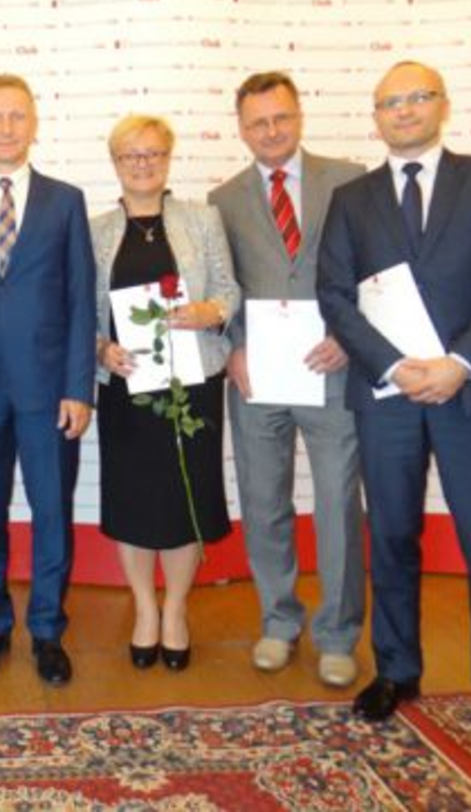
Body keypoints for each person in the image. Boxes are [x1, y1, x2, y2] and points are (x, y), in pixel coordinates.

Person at [317, 60, 471, 753]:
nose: (405, 110)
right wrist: (392, 365)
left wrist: (458, 363)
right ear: (376, 116)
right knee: (389, 537)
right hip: (386, 397)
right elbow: (335, 295)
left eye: (417, 97)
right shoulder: (352, 199)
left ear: (442, 105)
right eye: (390, 102)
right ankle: (397, 669)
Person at [208, 72, 365, 688]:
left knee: (337, 506)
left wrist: (351, 337)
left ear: (299, 116)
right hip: (258, 377)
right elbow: (218, 286)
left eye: (280, 118)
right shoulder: (222, 200)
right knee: (264, 501)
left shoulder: (349, 181)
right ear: (241, 128)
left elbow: (375, 270)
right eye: (258, 123)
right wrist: (231, 348)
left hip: (333, 370)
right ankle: (278, 621)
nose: (271, 131)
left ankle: (338, 635)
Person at [0, 74, 96, 687]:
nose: (6, 128)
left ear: (34, 123)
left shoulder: (66, 201)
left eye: (17, 116)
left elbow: (81, 299)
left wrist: (79, 387)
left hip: (48, 392)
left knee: (51, 512)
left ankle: (48, 631)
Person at [91, 114, 239, 671]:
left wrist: (210, 311)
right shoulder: (96, 231)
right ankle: (144, 609)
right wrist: (100, 350)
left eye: (153, 153)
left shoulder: (203, 220)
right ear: (116, 163)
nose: (143, 164)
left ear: (168, 158)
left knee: (183, 498)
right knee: (132, 501)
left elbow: (230, 291)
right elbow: (81, 312)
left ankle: (175, 610)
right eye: (131, 155)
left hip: (192, 386)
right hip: (126, 392)